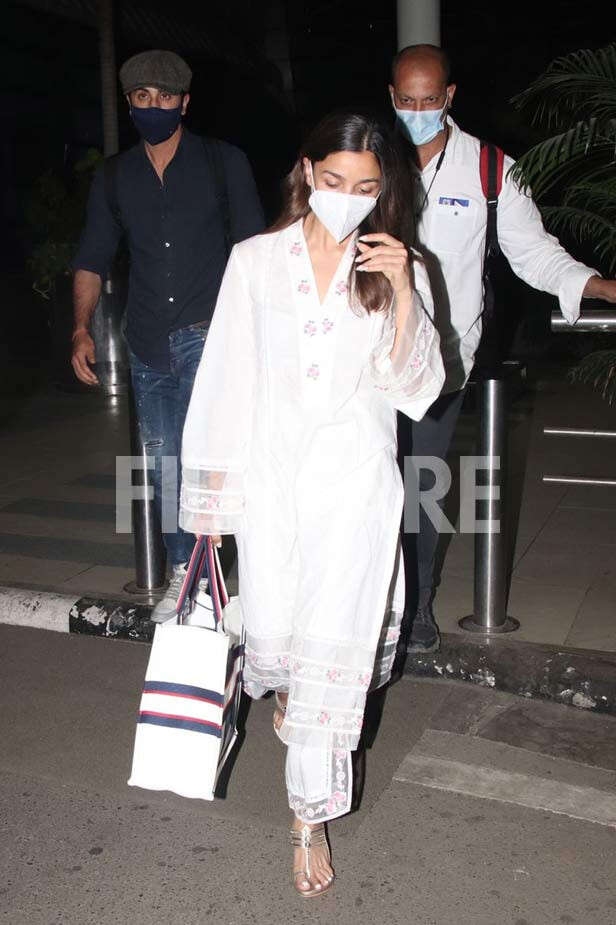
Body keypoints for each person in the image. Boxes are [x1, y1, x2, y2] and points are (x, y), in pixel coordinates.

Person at [179, 111, 445, 896]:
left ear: (385, 190)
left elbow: (416, 390)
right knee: (289, 648)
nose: (348, 199)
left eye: (366, 188)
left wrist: (402, 291)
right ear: (306, 172)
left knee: (332, 654)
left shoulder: (400, 266)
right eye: (333, 182)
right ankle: (293, 707)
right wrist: (211, 503)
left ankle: (307, 817)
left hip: (356, 489)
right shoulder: (256, 261)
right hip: (272, 486)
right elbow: (226, 376)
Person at [389, 44, 616, 654]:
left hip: (442, 363)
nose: (418, 110)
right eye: (406, 100)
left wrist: (593, 284)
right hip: (364, 362)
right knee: (360, 486)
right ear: (392, 98)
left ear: (450, 97)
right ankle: (359, 605)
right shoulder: (368, 160)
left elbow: (533, 251)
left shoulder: (490, 169)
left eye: (429, 100)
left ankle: (417, 608)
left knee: (421, 488)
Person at [71, 50, 265, 620]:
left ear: (184, 100)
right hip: (148, 339)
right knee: (163, 464)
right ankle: (188, 574)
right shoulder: (115, 177)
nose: (152, 106)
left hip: (211, 331)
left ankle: (235, 576)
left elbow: (254, 250)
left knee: (214, 459)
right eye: (140, 97)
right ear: (129, 103)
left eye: (163, 96)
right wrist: (80, 328)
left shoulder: (222, 162)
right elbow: (92, 257)